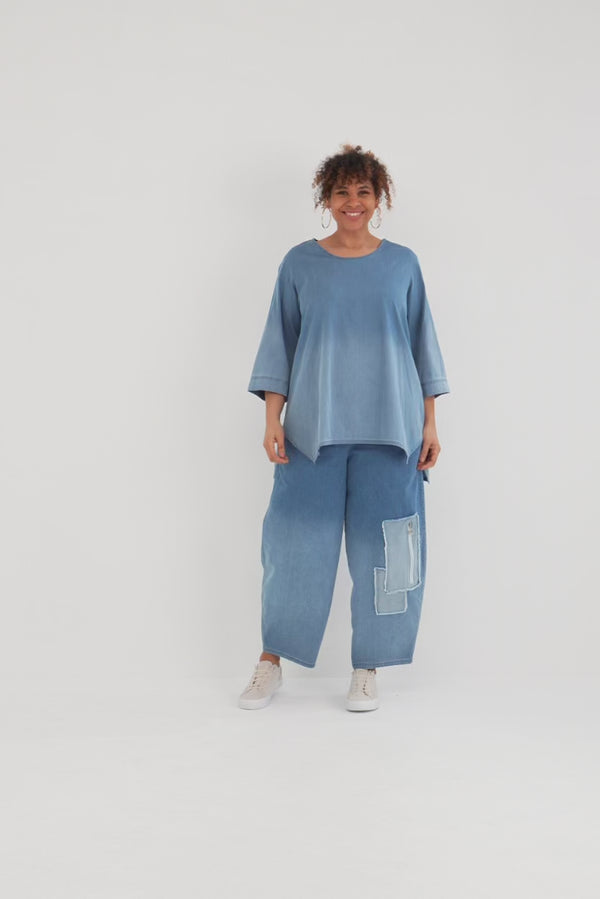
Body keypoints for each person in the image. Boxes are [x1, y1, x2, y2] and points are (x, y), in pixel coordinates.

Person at [239, 144, 450, 712]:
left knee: (389, 553)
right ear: (326, 199)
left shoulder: (403, 264)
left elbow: (422, 344)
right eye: (342, 192)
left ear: (379, 199)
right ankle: (270, 663)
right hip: (313, 432)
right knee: (292, 547)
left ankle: (367, 667)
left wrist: (430, 423)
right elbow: (280, 342)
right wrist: (271, 418)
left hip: (393, 433)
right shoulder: (299, 264)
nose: (352, 202)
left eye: (363, 192)